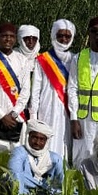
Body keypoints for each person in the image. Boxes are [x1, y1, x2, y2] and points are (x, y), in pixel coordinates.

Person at [0, 23, 32, 157]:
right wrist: (2, 115)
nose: (7, 39)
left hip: (17, 117)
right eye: (4, 36)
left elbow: (26, 91)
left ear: (15, 39)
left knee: (17, 158)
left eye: (11, 36)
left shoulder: (23, 60)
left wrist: (14, 113)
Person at [68, 16, 98, 168]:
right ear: (89, 33)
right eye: (94, 31)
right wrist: (74, 119)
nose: (97, 34)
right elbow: (72, 88)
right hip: (82, 119)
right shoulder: (78, 58)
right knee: (81, 156)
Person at [29, 20, 76, 161]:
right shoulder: (42, 59)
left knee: (65, 144)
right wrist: (33, 117)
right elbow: (35, 92)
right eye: (60, 35)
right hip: (46, 110)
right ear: (53, 35)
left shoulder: (76, 59)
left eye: (68, 36)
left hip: (67, 112)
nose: (63, 39)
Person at [8, 120, 65, 195]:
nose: (37, 142)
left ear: (46, 141)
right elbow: (15, 176)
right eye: (34, 137)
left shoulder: (55, 159)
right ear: (28, 136)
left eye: (42, 139)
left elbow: (61, 183)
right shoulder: (19, 152)